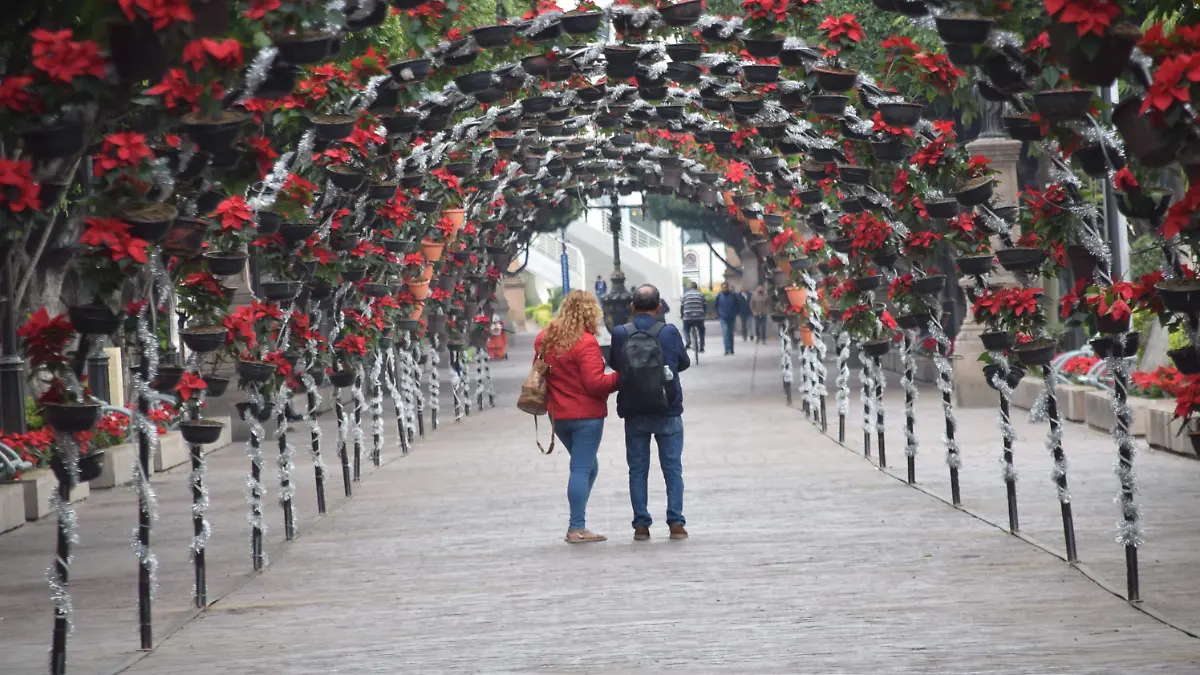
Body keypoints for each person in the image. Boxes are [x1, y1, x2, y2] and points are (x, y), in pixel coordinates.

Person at [533, 291, 619, 544]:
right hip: (586, 416)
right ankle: (576, 527)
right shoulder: (585, 343)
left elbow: (540, 373)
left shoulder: (545, 338)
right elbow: (595, 384)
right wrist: (622, 377)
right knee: (581, 468)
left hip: (558, 416)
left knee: (589, 466)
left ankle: (578, 522)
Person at [610, 284, 690, 541]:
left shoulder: (621, 333)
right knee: (672, 468)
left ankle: (641, 525)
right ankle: (676, 523)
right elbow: (684, 362)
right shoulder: (668, 331)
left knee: (637, 469)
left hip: (634, 409)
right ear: (659, 307)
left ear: (632, 307)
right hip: (667, 408)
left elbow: (614, 363)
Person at [714, 282, 741, 355]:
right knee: (725, 333)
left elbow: (738, 304)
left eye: (726, 287)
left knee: (730, 333)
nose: (724, 289)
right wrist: (717, 314)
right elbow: (716, 306)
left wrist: (736, 312)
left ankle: (731, 349)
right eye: (723, 288)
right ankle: (726, 349)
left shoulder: (733, 295)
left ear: (728, 288)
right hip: (723, 317)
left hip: (731, 317)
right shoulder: (719, 296)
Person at [680, 281, 706, 352]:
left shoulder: (685, 295)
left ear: (690, 287)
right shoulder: (700, 294)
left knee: (685, 329)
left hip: (688, 317)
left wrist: (682, 315)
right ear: (696, 287)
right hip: (699, 317)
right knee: (701, 331)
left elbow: (682, 306)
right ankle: (701, 347)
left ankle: (688, 341)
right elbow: (704, 305)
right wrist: (703, 314)